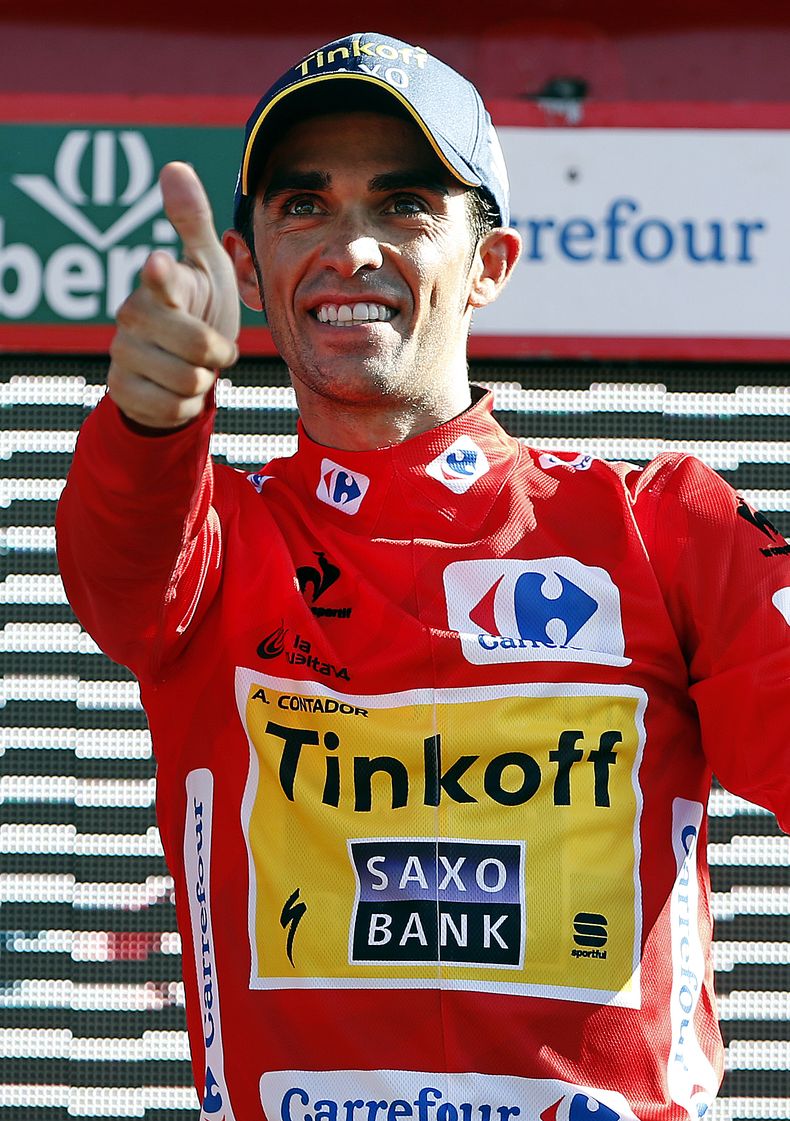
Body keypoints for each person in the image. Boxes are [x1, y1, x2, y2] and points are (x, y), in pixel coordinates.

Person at [56, 30, 790, 1121]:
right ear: (249, 270)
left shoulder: (662, 522)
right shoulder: (213, 535)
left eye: (402, 206)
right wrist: (151, 418)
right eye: (304, 206)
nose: (350, 247)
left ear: (488, 264)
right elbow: (118, 568)